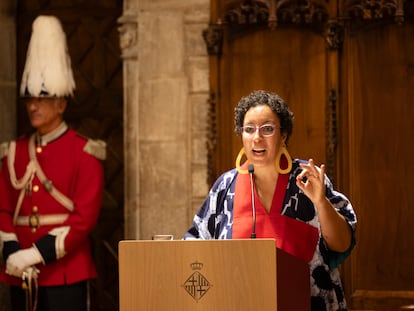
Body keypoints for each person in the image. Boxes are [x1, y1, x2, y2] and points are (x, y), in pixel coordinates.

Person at [184, 90, 357, 310]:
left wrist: (321, 202)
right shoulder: (226, 187)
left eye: (267, 129)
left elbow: (341, 243)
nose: (257, 137)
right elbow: (195, 247)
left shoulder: (307, 178)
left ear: (283, 134)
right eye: (249, 129)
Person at [0, 15, 106, 311]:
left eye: (42, 99)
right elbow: (3, 208)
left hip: (65, 272)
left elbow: (83, 219)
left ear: (61, 104)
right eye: (30, 99)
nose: (32, 106)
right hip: (19, 271)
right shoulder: (13, 152)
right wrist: (12, 252)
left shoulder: (85, 152)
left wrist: (35, 254)